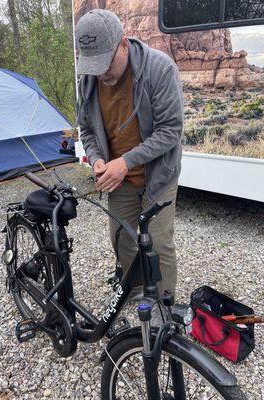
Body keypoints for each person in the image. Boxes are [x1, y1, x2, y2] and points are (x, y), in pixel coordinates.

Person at [76, 9, 183, 300]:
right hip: (118, 179)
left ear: (123, 43)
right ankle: (133, 289)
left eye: (106, 64)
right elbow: (86, 130)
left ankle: (165, 306)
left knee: (159, 243)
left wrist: (125, 162)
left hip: (158, 174)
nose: (101, 74)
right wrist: (97, 158)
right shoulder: (87, 82)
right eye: (93, 65)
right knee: (121, 238)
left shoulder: (159, 69)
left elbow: (171, 130)